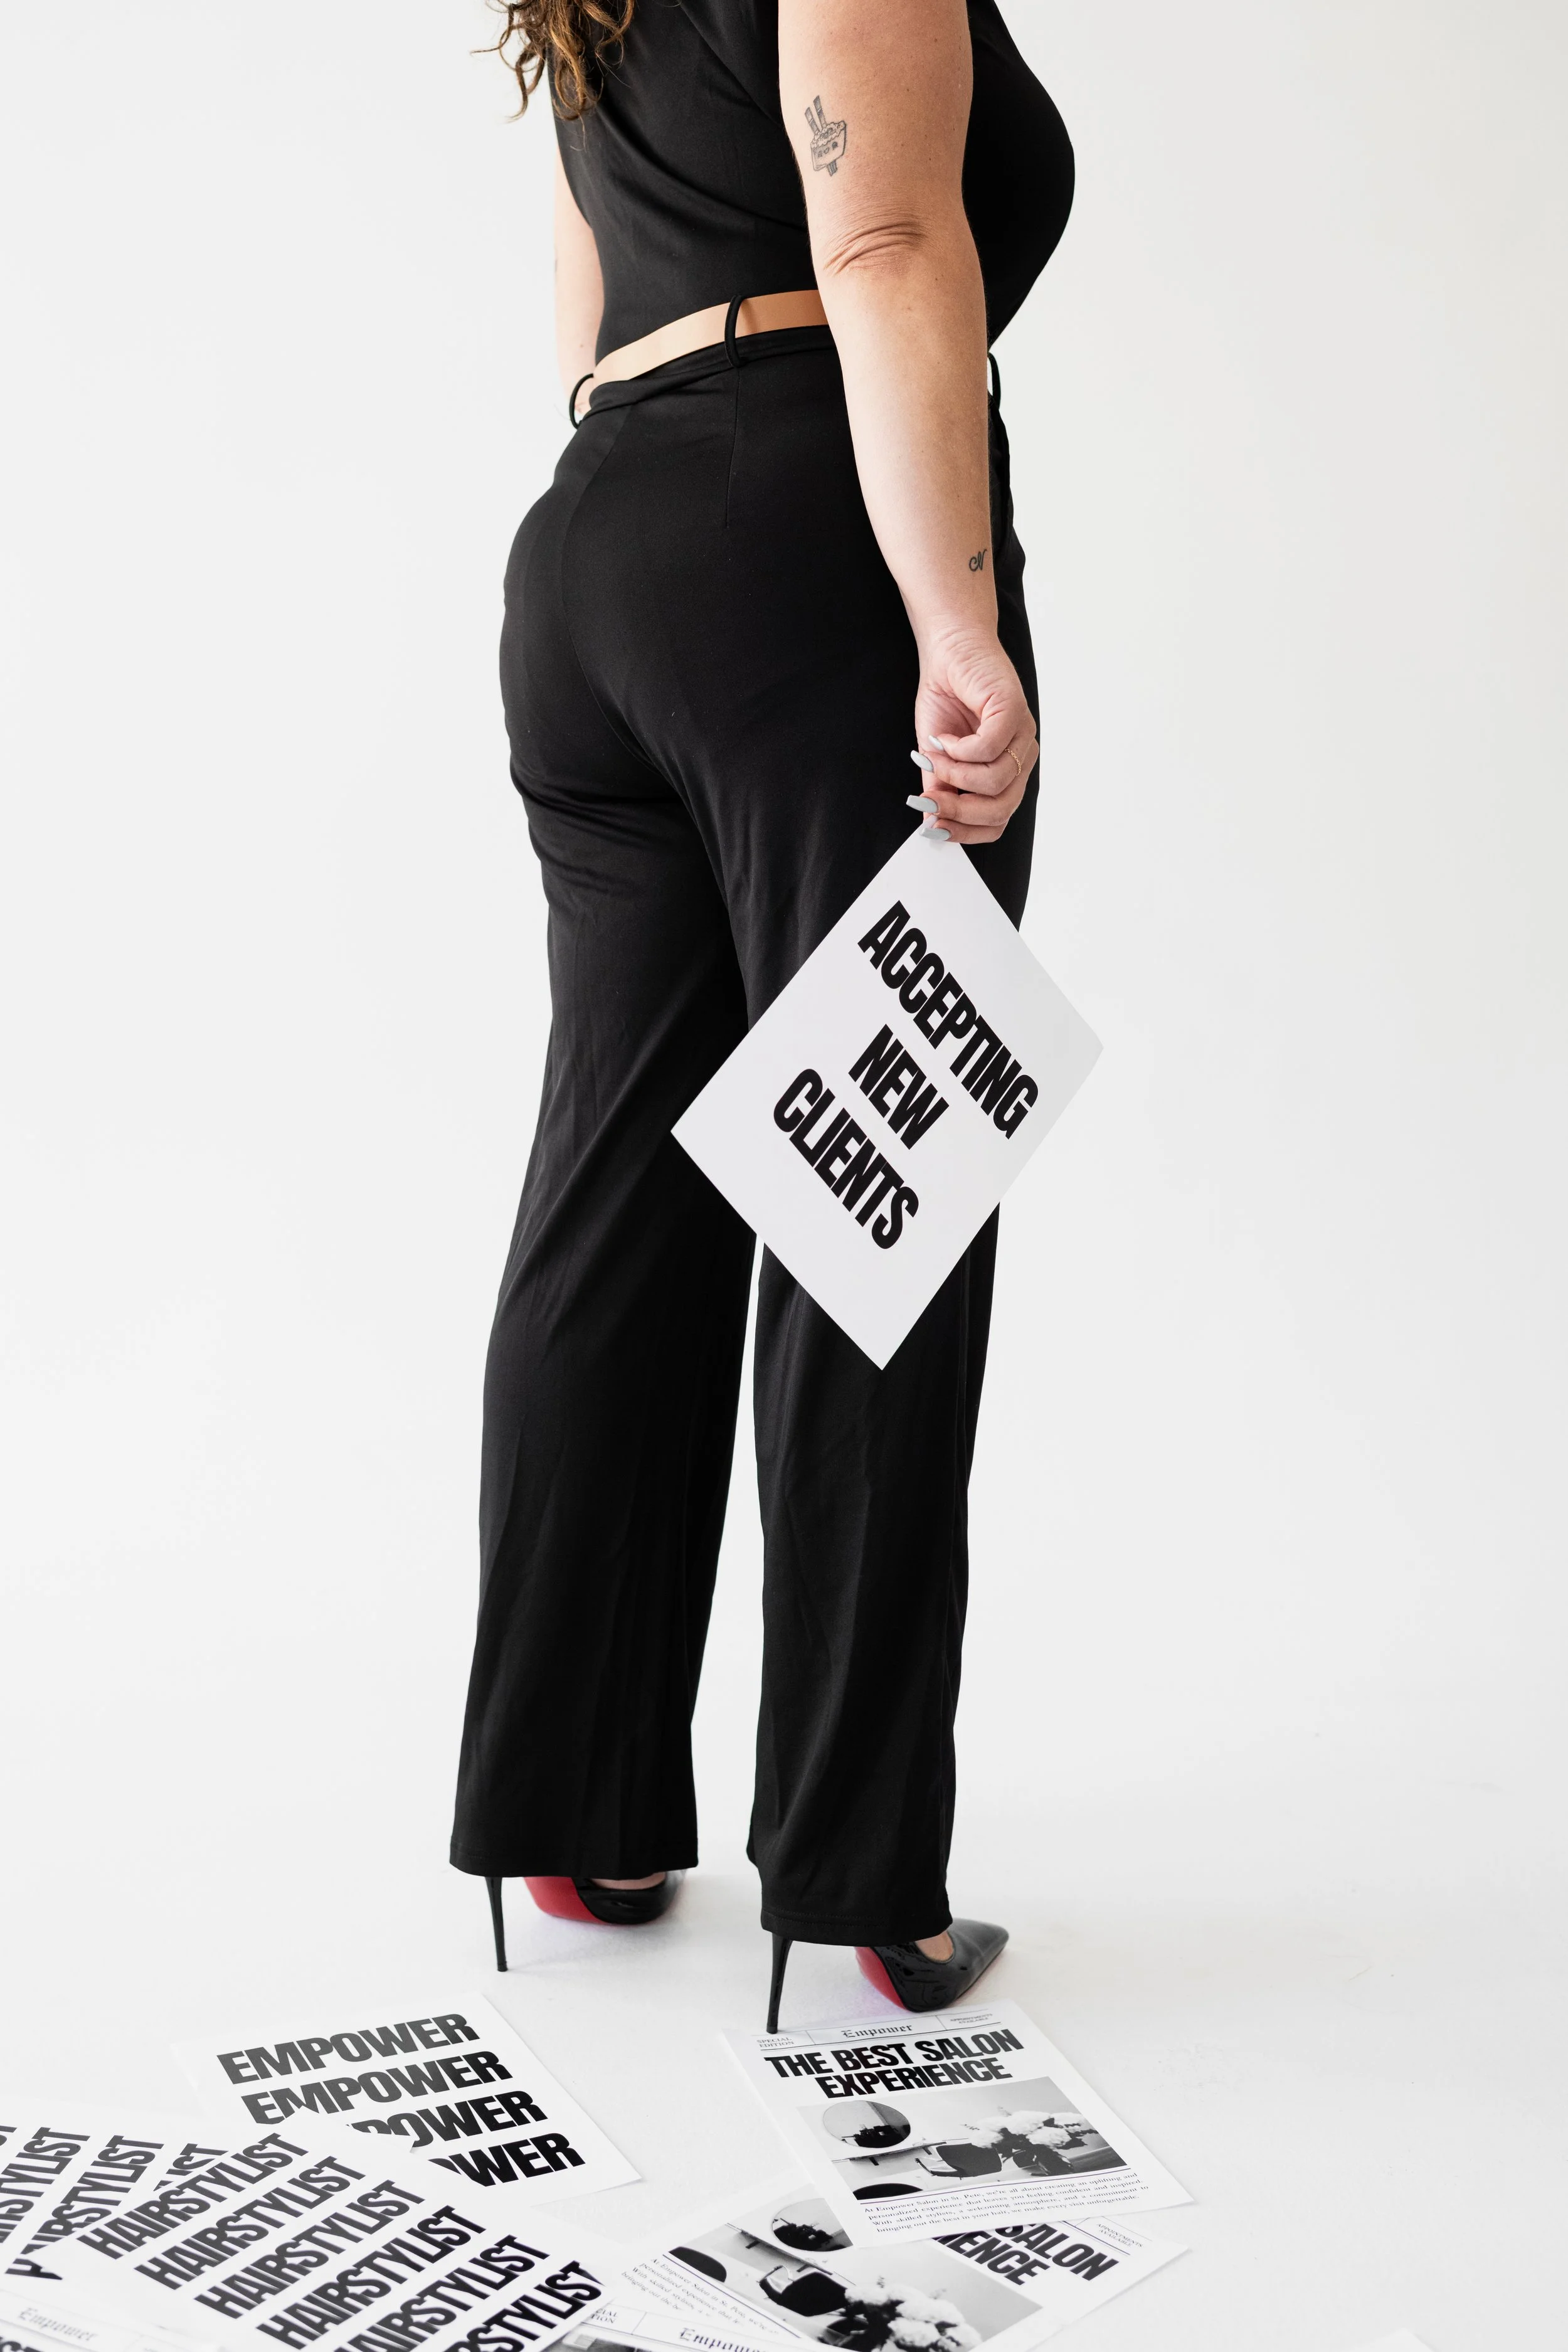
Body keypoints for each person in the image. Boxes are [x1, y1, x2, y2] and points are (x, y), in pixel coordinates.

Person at [448, 0, 1074, 2026]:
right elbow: (883, 243)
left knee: (611, 1192)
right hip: (808, 546)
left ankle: (573, 1803)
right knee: (871, 1194)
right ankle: (855, 1869)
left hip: (593, 552)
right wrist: (954, 614)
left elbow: (584, 326)